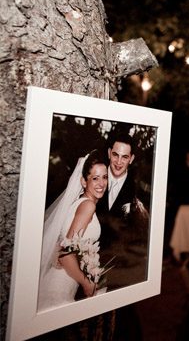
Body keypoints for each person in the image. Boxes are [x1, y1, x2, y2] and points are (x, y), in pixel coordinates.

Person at [38, 150, 108, 311]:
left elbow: (63, 245)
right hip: (59, 287)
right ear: (84, 181)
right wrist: (86, 282)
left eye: (104, 177)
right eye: (95, 178)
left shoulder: (78, 203)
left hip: (61, 280)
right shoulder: (88, 206)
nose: (101, 183)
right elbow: (65, 254)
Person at [96, 132, 149, 291]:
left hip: (124, 266)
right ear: (109, 153)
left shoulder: (138, 190)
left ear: (131, 159)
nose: (119, 162)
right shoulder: (95, 178)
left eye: (124, 157)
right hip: (91, 255)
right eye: (115, 155)